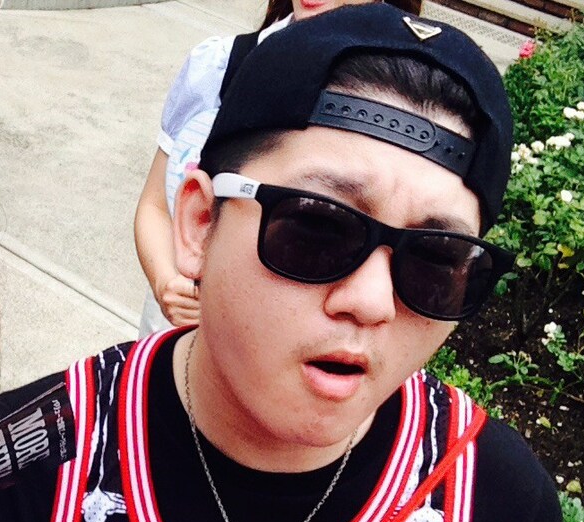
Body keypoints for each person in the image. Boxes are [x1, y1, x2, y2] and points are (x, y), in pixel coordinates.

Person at [0, 5, 564, 522]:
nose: (373, 302)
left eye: (435, 260)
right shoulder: (30, 473)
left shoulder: (496, 505)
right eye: (317, 226)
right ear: (199, 225)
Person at [134, 0, 421, 336]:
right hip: (170, 337)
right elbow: (155, 205)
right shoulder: (217, 67)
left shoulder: (402, 109)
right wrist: (165, 281)